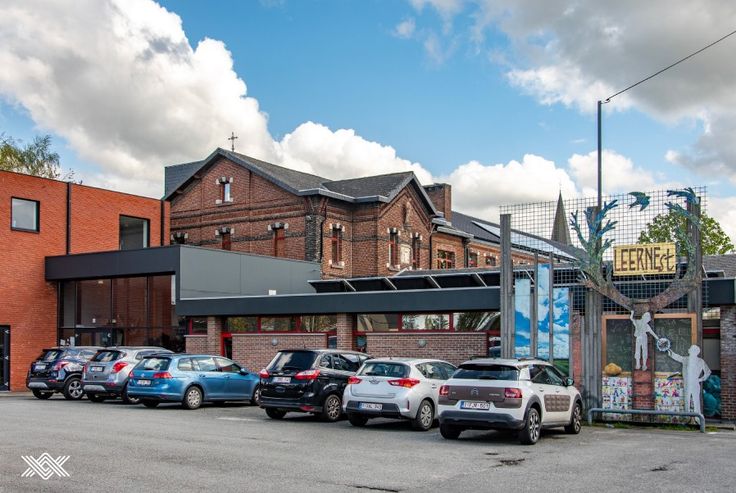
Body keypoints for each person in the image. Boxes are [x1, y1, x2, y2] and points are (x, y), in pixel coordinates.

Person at [668, 345, 711, 415]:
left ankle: (697, 416)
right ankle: (687, 415)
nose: (689, 350)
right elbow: (678, 357)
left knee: (696, 400)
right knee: (687, 400)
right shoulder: (686, 359)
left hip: (695, 383)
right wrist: (670, 352)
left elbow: (708, 372)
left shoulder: (700, 361)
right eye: (690, 349)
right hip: (687, 383)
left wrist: (700, 379)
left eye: (691, 349)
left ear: (695, 352)